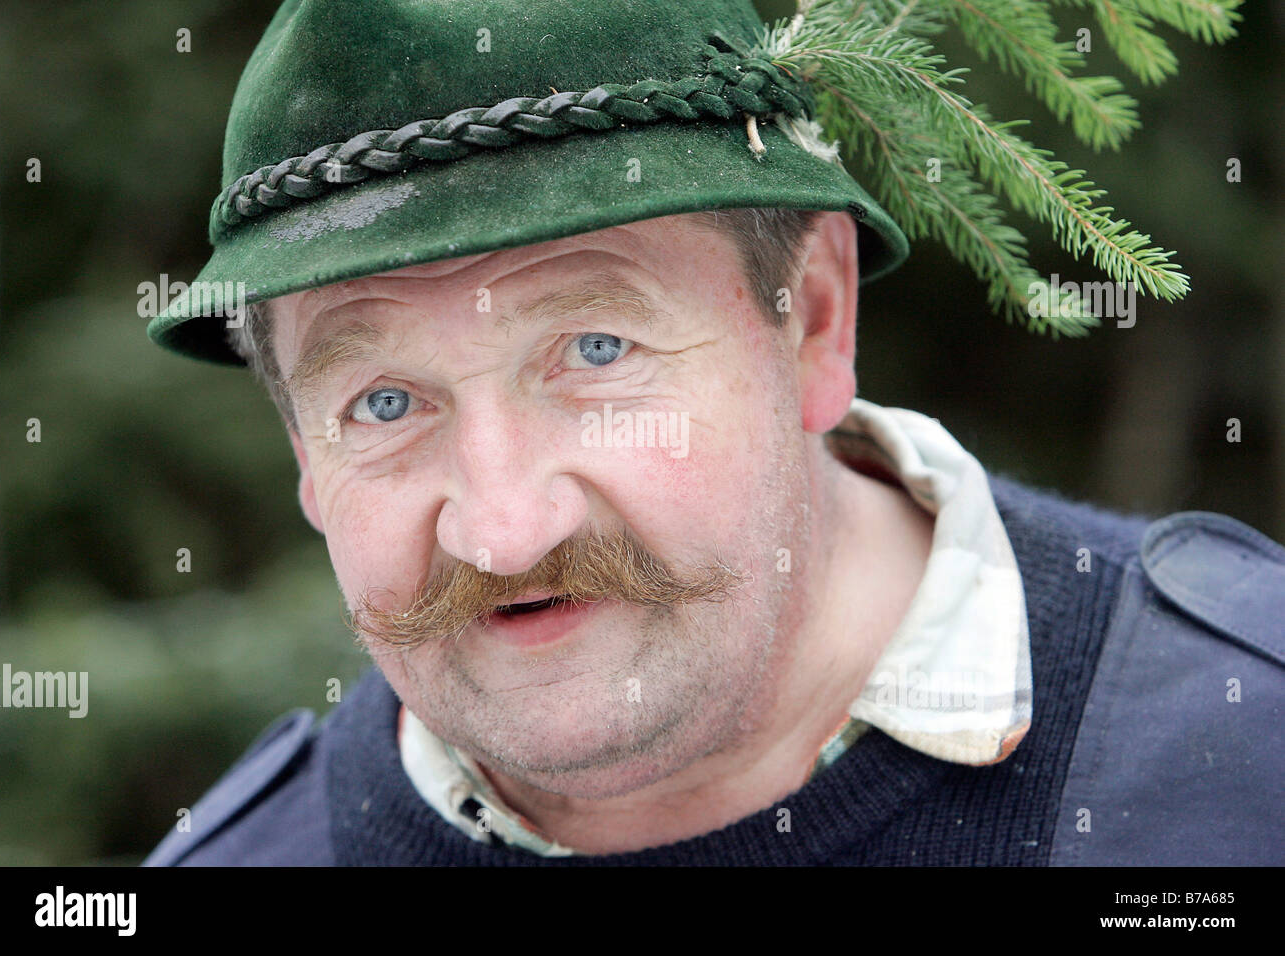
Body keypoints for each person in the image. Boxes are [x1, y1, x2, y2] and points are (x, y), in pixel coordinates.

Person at [142, 0, 1283, 866]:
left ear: (815, 321)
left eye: (594, 349)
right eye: (383, 404)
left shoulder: (1244, 757)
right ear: (303, 450)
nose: (501, 530)